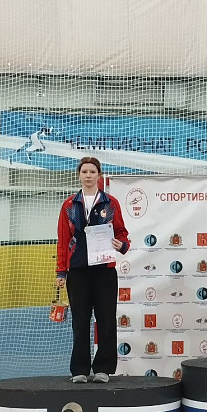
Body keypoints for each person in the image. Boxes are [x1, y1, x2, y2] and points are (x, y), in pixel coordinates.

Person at [56, 157, 130, 383]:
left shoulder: (111, 203)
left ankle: (103, 369)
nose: (88, 175)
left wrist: (121, 245)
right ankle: (79, 369)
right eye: (84, 171)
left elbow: (121, 232)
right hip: (78, 270)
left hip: (104, 270)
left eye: (92, 172)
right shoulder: (69, 205)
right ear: (79, 175)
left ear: (99, 175)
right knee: (80, 321)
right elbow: (63, 240)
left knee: (106, 319)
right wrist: (61, 271)